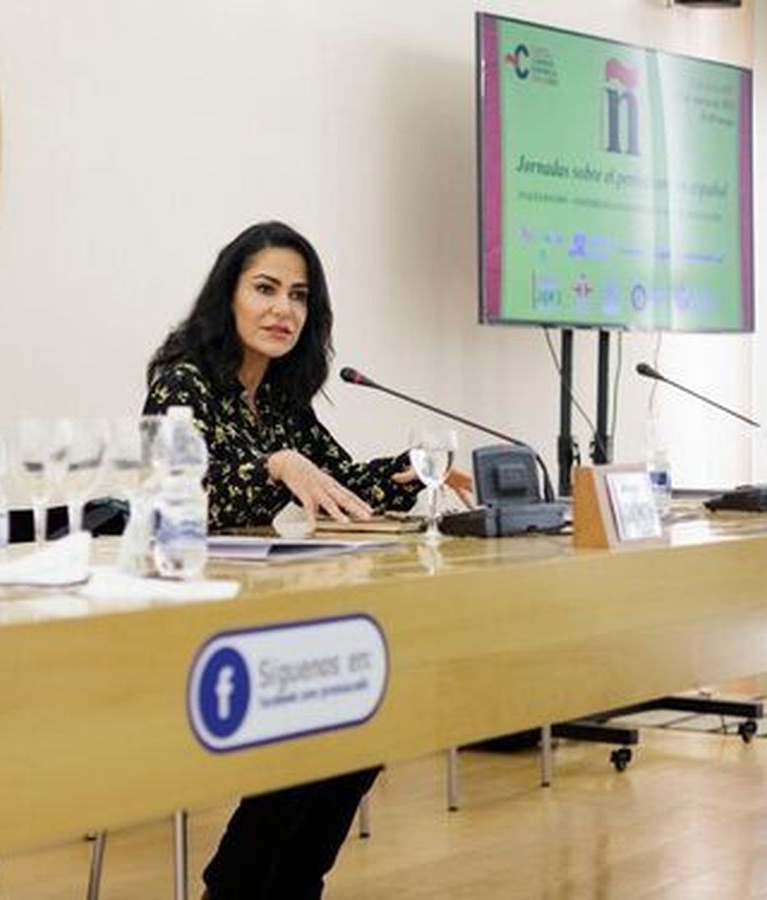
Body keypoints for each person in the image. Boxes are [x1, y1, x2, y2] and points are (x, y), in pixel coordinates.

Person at [143, 220, 465, 898]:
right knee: (329, 718)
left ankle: (286, 884)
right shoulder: (182, 383)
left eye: (298, 296)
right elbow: (186, 496)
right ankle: (239, 887)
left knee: (362, 718)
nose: (282, 309)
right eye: (265, 289)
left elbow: (337, 487)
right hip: (194, 624)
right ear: (226, 296)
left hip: (276, 611)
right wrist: (274, 466)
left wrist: (408, 473)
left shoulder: (285, 399)